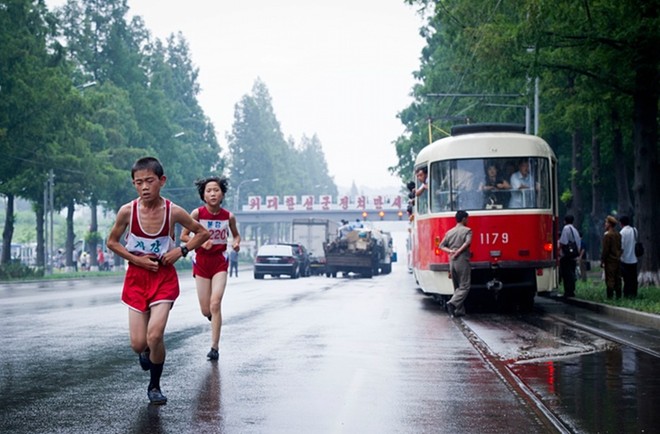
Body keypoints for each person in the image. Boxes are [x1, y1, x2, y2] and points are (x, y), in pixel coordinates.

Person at [106, 157, 210, 405]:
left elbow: (202, 233)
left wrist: (181, 251)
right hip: (136, 278)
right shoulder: (127, 212)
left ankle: (154, 386)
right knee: (138, 343)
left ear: (161, 181)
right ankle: (145, 352)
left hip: (163, 278)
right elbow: (112, 242)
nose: (144, 187)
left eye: (149, 181)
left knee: (155, 336)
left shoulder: (173, 211)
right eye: (138, 182)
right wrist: (137, 259)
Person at [180, 176, 241, 361]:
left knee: (216, 303)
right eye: (209, 191)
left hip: (219, 261)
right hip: (201, 262)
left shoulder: (228, 216)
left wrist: (236, 244)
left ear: (222, 194)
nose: (213, 193)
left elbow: (236, 236)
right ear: (203, 196)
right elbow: (184, 236)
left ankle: (214, 348)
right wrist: (199, 242)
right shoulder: (197, 214)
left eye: (216, 190)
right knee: (206, 310)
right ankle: (212, 317)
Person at [439, 210, 472, 318]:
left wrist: (450, 251)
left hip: (452, 260)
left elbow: (441, 245)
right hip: (462, 259)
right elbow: (467, 243)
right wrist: (458, 251)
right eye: (467, 218)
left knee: (456, 286)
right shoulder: (467, 231)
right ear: (463, 219)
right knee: (465, 286)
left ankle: (459, 310)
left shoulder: (449, 232)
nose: (468, 220)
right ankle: (452, 303)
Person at [558, 215, 581, 297]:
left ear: (565, 221)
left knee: (566, 274)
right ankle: (572, 291)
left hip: (566, 256)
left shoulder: (566, 228)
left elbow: (563, 242)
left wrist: (558, 251)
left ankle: (567, 291)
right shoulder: (575, 230)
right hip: (573, 256)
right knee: (572, 273)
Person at [600, 215, 622, 299]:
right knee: (618, 278)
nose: (605, 224)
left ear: (609, 224)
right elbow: (620, 247)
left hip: (610, 260)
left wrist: (602, 260)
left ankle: (610, 297)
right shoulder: (618, 235)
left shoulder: (607, 236)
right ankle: (619, 296)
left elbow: (605, 250)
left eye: (606, 223)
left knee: (610, 279)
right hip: (617, 260)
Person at [619, 216, 638, 298]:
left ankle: (626, 294)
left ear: (621, 223)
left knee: (626, 279)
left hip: (625, 260)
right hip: (634, 259)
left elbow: (621, 248)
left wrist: (618, 257)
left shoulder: (622, 233)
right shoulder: (634, 230)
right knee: (634, 278)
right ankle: (634, 293)